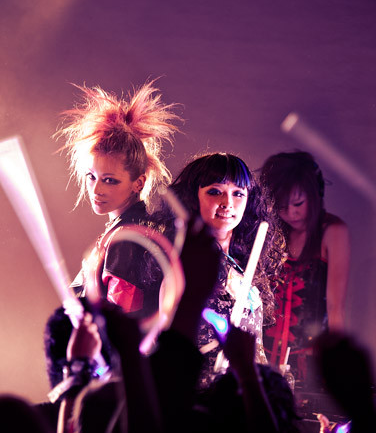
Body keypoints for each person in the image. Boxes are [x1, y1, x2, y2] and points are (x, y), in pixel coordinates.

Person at [55, 80, 180, 319]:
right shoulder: (127, 230)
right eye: (91, 177)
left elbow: (120, 323)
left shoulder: (126, 237)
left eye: (110, 180)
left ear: (139, 183)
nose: (96, 189)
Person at [170, 152, 285, 389]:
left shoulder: (240, 262)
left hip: (242, 395)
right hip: (203, 396)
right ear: (193, 197)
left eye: (238, 193)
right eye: (215, 191)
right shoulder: (186, 262)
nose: (228, 203)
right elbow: (172, 340)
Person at [260, 151, 350, 395]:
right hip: (262, 351)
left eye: (298, 204)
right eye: (282, 206)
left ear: (315, 194)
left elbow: (335, 308)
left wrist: (339, 361)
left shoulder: (332, 231)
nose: (291, 213)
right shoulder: (270, 231)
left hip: (309, 358)